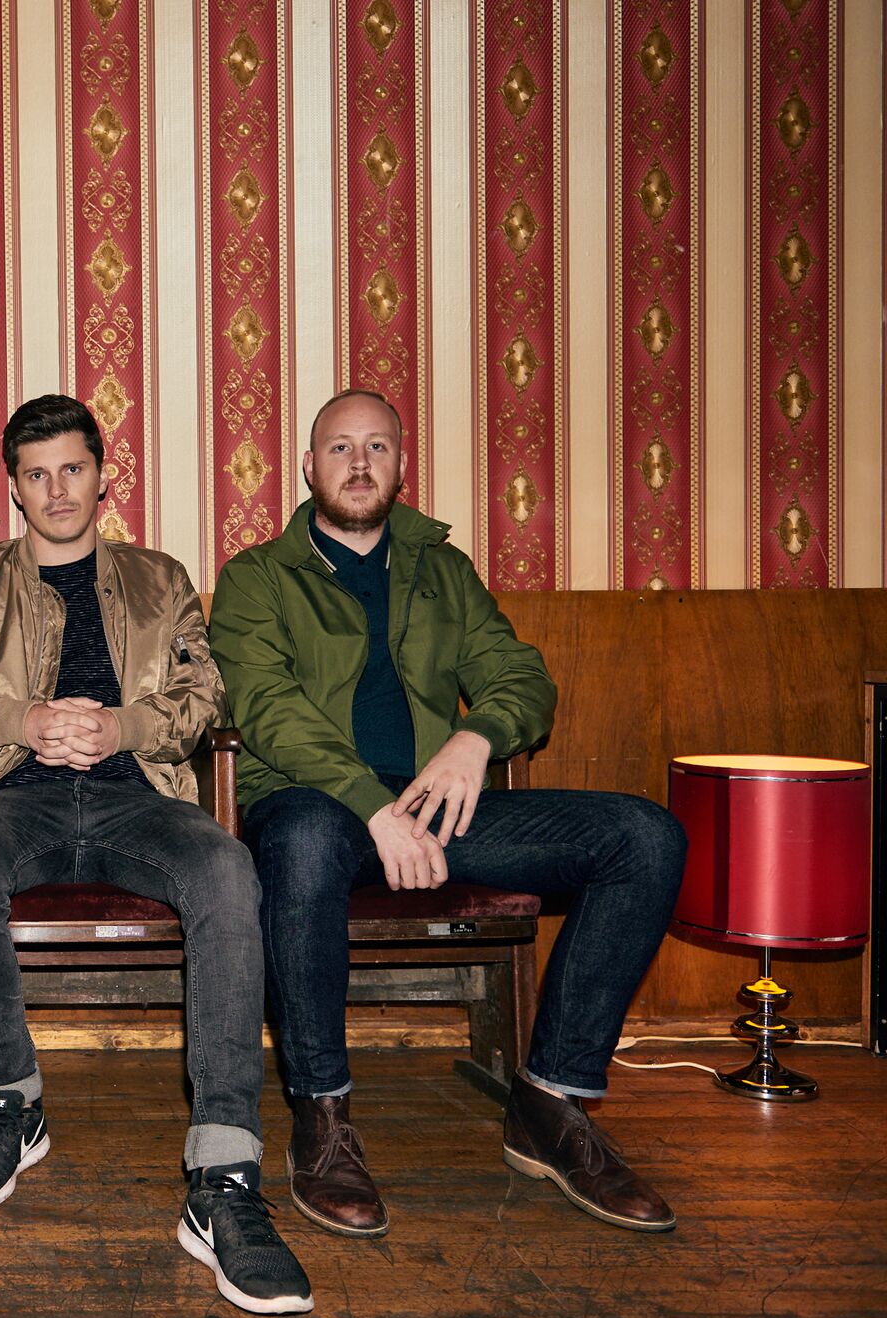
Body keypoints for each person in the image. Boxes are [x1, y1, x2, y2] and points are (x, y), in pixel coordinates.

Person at [210, 388, 685, 1239]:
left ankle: (550, 1100)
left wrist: (476, 737)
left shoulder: (442, 570)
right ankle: (322, 1114)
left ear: (401, 464)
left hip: (438, 807)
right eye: (340, 448)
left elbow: (522, 677)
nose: (359, 463)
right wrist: (374, 806)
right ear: (309, 467)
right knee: (305, 841)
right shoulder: (257, 577)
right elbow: (270, 710)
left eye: (378, 447)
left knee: (645, 836)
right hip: (315, 804)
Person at [0, 394, 314, 1316]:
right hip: (12, 794)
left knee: (227, 870)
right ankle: (12, 1102)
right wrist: (24, 720)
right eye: (37, 473)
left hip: (140, 795)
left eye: (73, 469)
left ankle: (224, 1173)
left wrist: (122, 727)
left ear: (102, 476)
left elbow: (206, 694)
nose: (57, 489)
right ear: (14, 487)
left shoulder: (159, 578)